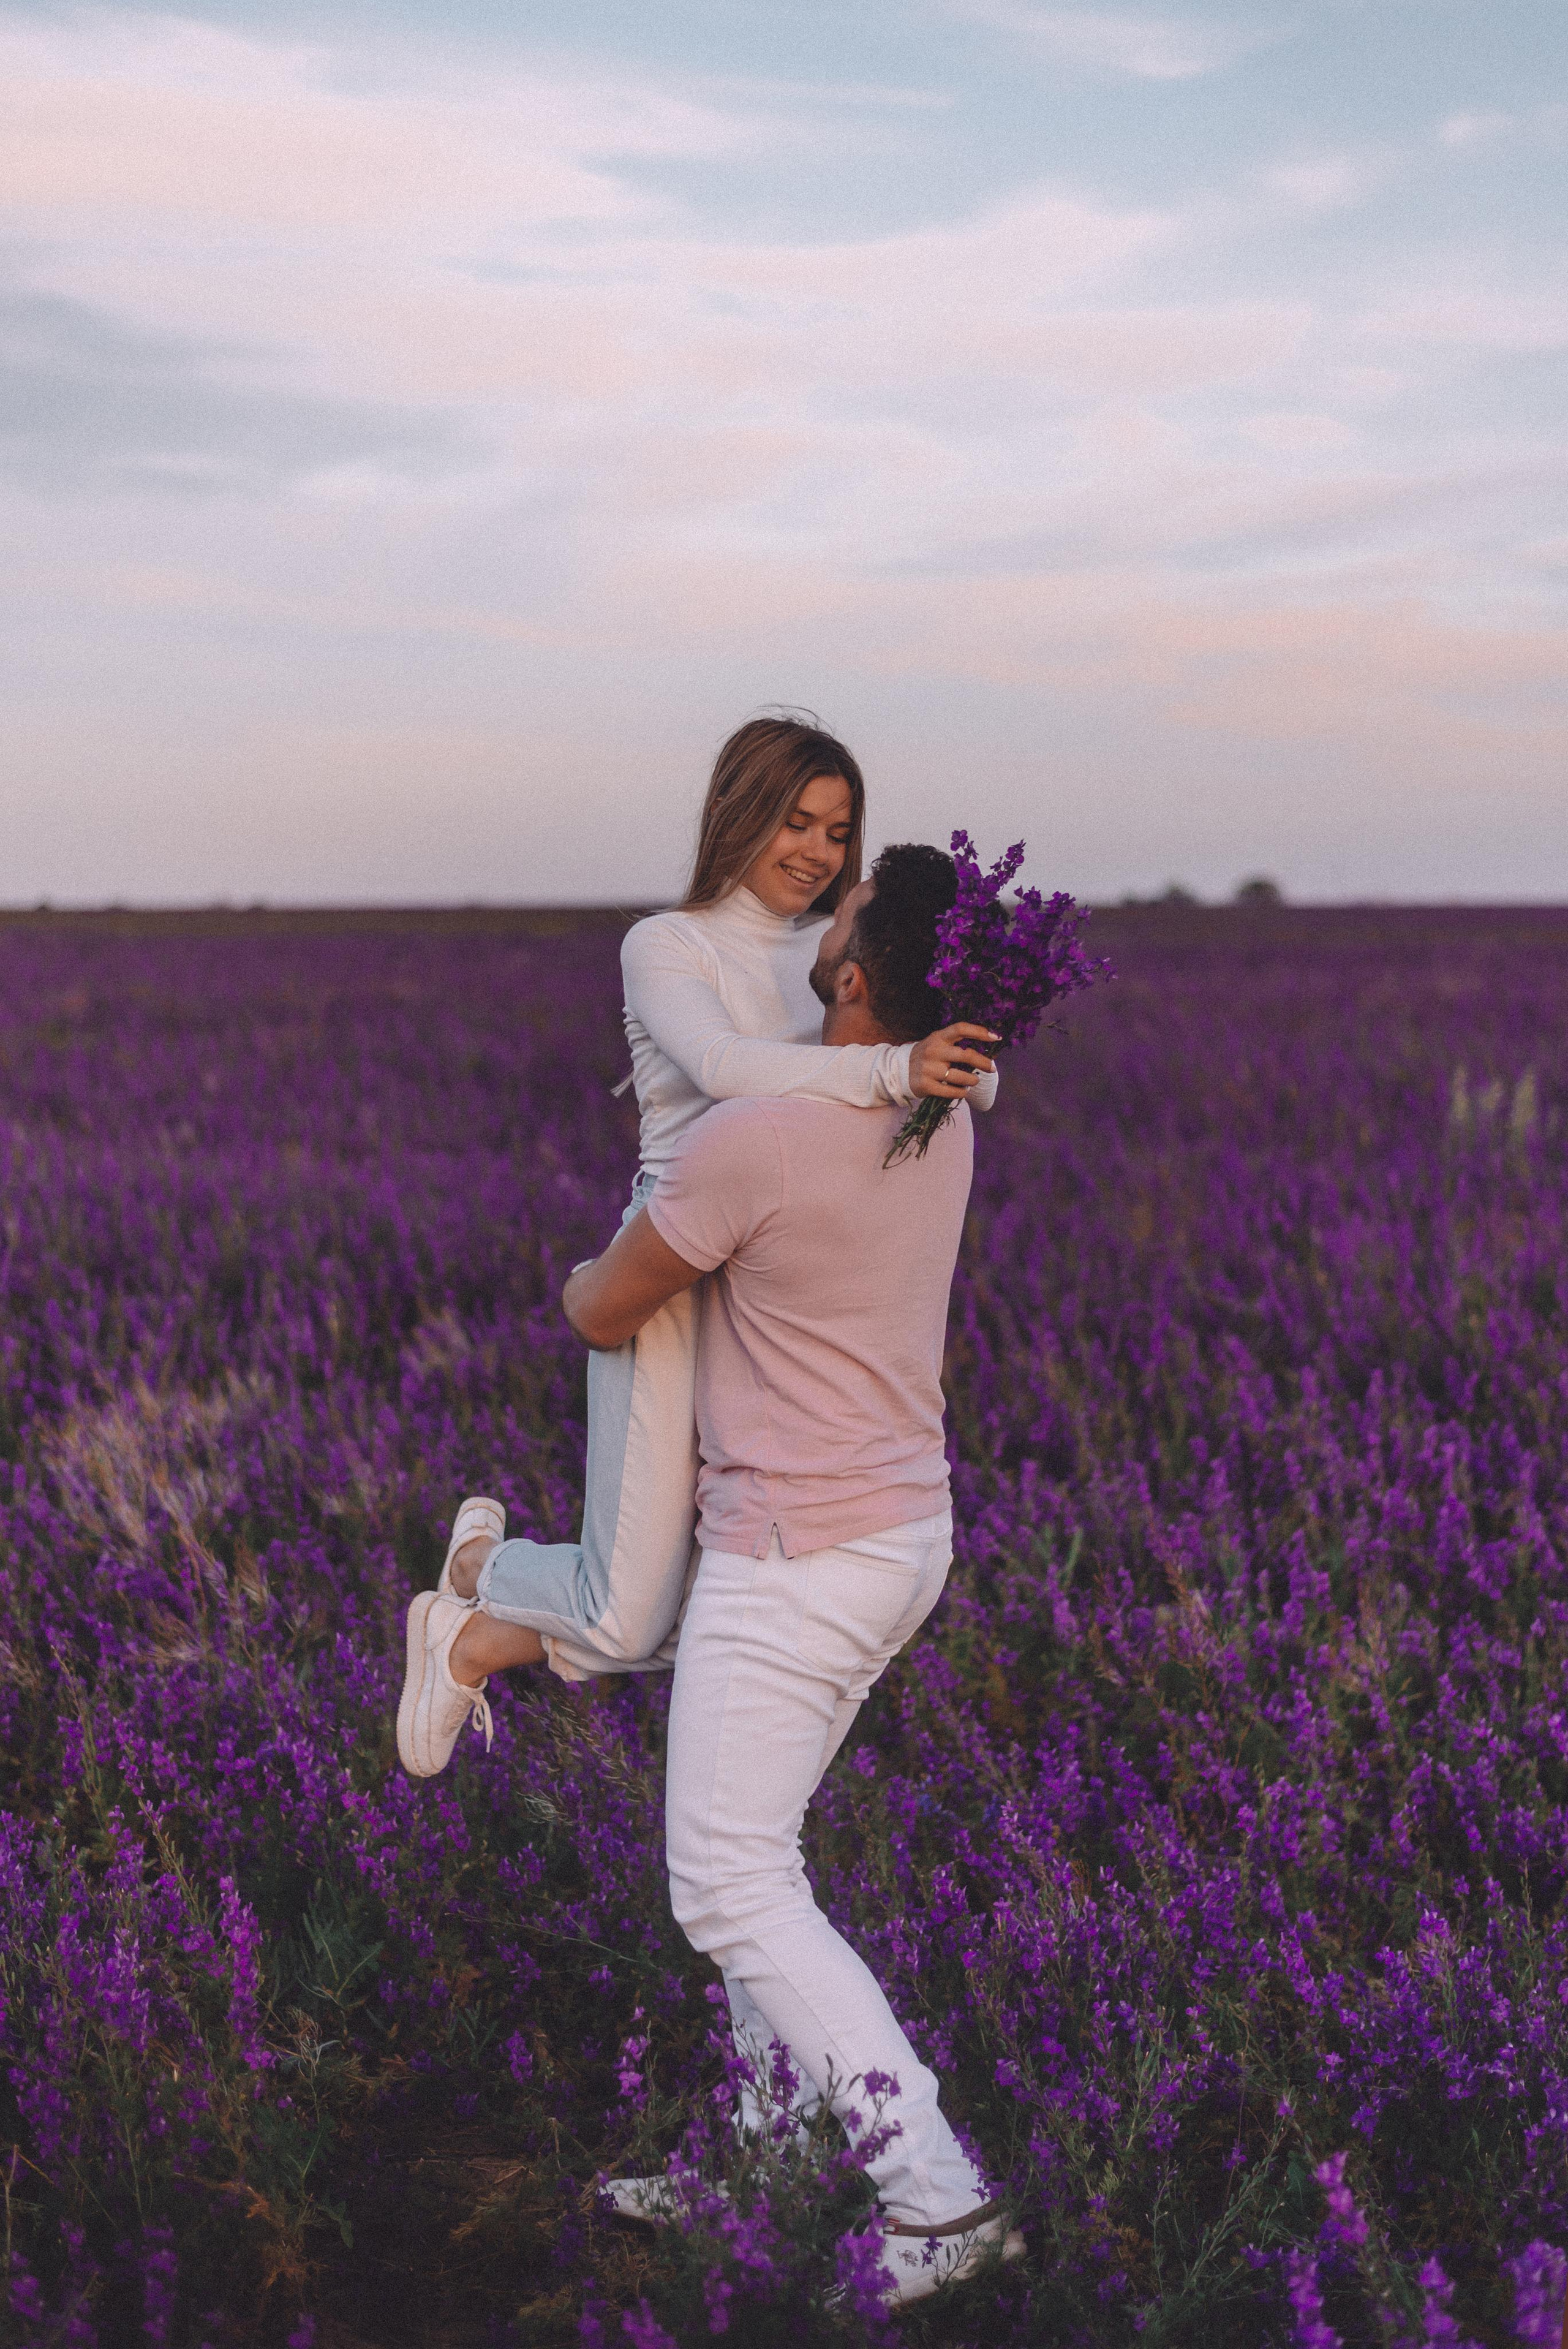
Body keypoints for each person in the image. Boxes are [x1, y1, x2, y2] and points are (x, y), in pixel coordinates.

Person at [406, 844, 1024, 2306]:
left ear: (855, 977)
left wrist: (581, 1271)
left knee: (731, 1883)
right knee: (769, 1852)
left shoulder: (759, 1137)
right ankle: (754, 2158)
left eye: (848, 909)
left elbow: (603, 1305)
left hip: (793, 1557)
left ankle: (939, 2204)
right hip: (898, 1538)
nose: (827, 908)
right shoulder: (942, 1115)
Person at [398, 716, 997, 1757]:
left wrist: (962, 1044)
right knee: (634, 1612)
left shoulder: (839, 948)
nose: (815, 850)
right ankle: (473, 1585)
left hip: (778, 1279)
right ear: (740, 813)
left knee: (728, 1591)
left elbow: (969, 1068)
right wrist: (892, 1071)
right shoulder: (666, 945)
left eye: (837, 829)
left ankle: (478, 1626)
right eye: (794, 821)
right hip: (671, 1268)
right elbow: (724, 1067)